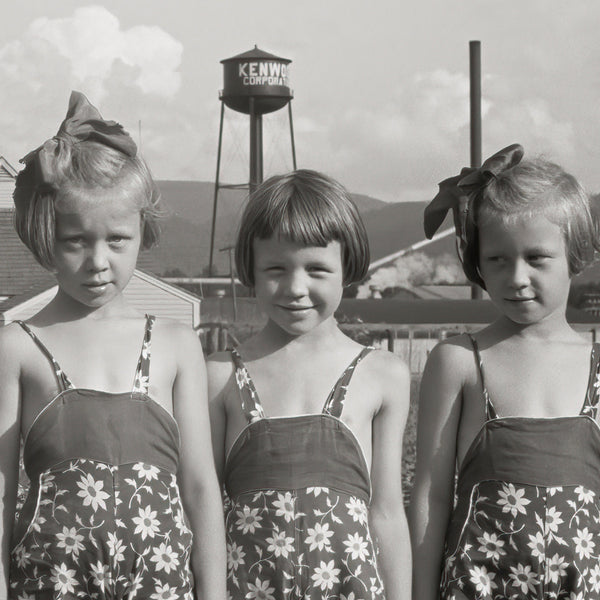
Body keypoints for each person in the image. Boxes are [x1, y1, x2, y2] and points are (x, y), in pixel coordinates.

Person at [0, 91, 226, 600]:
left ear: (142, 231)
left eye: (117, 240)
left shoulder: (175, 343)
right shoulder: (16, 347)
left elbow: (200, 488)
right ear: (44, 236)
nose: (98, 261)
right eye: (76, 240)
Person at [207, 169, 411, 600]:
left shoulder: (382, 374)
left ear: (348, 268)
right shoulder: (220, 375)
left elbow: (387, 513)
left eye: (317, 269)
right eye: (276, 268)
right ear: (251, 269)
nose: (296, 288)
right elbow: (201, 509)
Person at [410, 143, 600, 599]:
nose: (516, 277)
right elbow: (431, 497)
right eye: (498, 259)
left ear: (577, 256)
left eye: (536, 258)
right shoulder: (459, 361)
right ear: (476, 262)